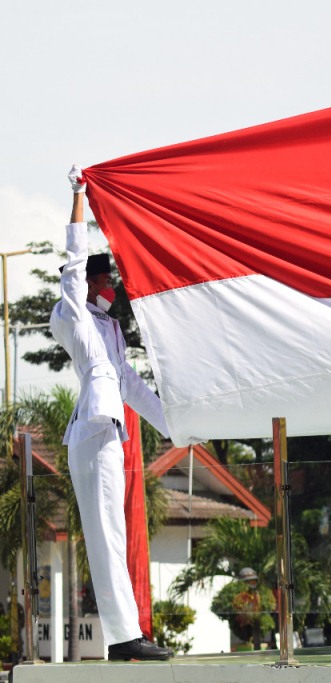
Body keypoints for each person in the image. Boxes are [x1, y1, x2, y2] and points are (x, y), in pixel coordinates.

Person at [49, 165, 174, 661]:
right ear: (87, 284)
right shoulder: (74, 315)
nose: (113, 288)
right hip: (91, 430)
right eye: (107, 281)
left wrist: (177, 428)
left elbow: (135, 388)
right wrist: (80, 196)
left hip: (109, 431)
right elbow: (74, 258)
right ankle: (124, 638)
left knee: (112, 532)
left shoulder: (110, 330)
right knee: (104, 533)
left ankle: (127, 633)